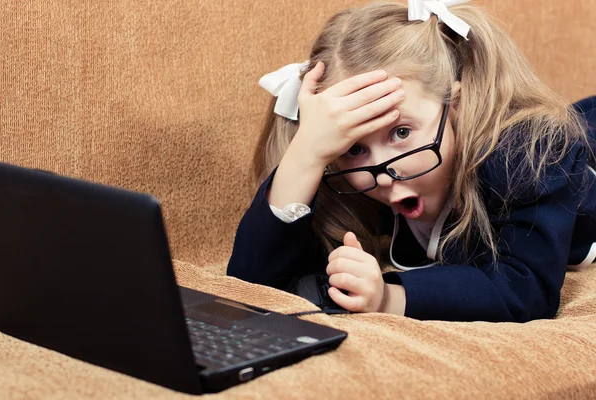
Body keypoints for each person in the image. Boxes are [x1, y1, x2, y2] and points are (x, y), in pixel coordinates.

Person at [226, 0, 596, 322]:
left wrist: (390, 298)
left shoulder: (528, 153)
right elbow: (251, 287)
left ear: (457, 108)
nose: (386, 172)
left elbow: (525, 287)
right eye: (354, 147)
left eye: (401, 133)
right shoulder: (351, 180)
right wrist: (306, 153)